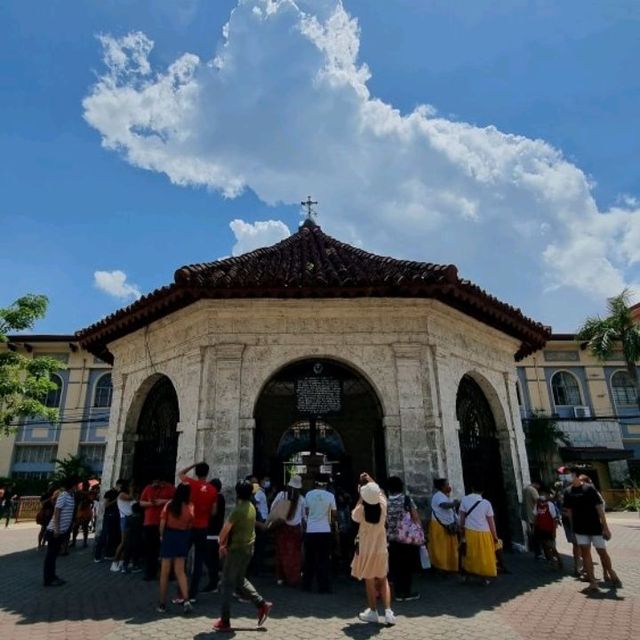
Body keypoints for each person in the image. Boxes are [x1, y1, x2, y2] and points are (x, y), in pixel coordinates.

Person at [213, 480, 273, 632]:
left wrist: (221, 544)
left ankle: (225, 620)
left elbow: (224, 532)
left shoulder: (238, 510)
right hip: (247, 549)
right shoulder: (252, 507)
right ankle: (261, 604)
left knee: (226, 584)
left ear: (237, 493)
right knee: (239, 580)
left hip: (236, 551)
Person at [563, 469, 621, 591]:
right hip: (580, 528)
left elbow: (599, 508)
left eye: (570, 474)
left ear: (577, 476)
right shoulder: (568, 492)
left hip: (594, 526)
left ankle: (611, 571)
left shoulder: (589, 489)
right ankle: (592, 581)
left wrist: (605, 527)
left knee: (602, 552)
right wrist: (573, 528)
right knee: (585, 553)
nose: (567, 477)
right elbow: (570, 512)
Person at [352, 474, 395, 626]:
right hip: (381, 548)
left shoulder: (361, 510)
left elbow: (354, 516)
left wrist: (361, 496)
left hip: (366, 550)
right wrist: (371, 480)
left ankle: (373, 611)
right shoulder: (383, 505)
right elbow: (381, 492)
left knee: (369, 581)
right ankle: (389, 612)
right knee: (384, 581)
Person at [178, 462, 218, 600]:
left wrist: (193, 464)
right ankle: (193, 593)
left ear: (196, 472)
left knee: (181, 558)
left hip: (189, 526)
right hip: (203, 528)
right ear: (207, 473)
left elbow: (180, 474)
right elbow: (214, 512)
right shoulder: (213, 490)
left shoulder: (190, 484)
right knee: (199, 561)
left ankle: (181, 592)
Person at [158, 483, 194, 614]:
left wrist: (162, 536)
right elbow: (190, 525)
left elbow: (162, 523)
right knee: (180, 571)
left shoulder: (169, 505)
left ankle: (162, 604)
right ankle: (186, 600)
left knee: (165, 572)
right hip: (182, 537)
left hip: (169, 536)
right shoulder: (190, 507)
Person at [386, 476, 421, 601]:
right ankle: (406, 592)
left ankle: (398, 592)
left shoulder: (385, 502)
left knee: (395, 566)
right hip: (406, 538)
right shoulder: (406, 499)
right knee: (407, 566)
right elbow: (415, 517)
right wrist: (419, 532)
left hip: (391, 538)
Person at [303, 476, 337, 593]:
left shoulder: (308, 494)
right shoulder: (330, 496)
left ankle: (306, 585)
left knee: (309, 559)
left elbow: (306, 511)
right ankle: (323, 587)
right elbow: (334, 514)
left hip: (311, 530)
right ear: (326, 484)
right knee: (323, 560)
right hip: (324, 530)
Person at [270, 475, 305, 587]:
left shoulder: (282, 495)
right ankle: (293, 577)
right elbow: (304, 517)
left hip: (283, 528)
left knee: (281, 553)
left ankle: (281, 577)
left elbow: (272, 507)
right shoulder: (302, 499)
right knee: (295, 555)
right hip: (295, 530)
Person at [459, 484, 498, 583]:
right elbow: (491, 521)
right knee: (483, 556)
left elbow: (462, 518)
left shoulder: (464, 500)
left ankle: (467, 576)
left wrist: (461, 531)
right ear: (483, 491)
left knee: (469, 554)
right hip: (484, 532)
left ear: (472, 488)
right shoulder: (486, 503)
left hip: (469, 531)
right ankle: (484, 577)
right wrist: (494, 535)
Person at [139, 477, 175, 581]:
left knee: (167, 550)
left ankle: (168, 574)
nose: (156, 483)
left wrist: (162, 501)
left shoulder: (170, 488)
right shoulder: (148, 488)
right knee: (150, 550)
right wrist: (151, 503)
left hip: (165, 523)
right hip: (150, 522)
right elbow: (141, 503)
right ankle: (150, 573)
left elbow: (177, 501)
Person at [43, 476, 77, 586]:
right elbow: (57, 512)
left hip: (62, 531)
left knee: (54, 555)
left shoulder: (71, 496)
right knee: (51, 556)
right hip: (54, 531)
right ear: (73, 486)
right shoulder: (63, 495)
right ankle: (48, 579)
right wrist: (57, 529)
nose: (78, 487)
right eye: (76, 485)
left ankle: (52, 576)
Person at [428, 477, 459, 574]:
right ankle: (441, 567)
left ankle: (450, 566)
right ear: (442, 486)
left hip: (447, 524)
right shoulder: (438, 496)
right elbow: (444, 505)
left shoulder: (445, 496)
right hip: (440, 526)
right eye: (447, 484)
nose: (449, 486)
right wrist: (454, 503)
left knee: (449, 547)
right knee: (441, 548)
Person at [202, 478, 226, 593]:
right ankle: (215, 580)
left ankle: (214, 582)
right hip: (215, 532)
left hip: (212, 533)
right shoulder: (220, 498)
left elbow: (212, 513)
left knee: (210, 559)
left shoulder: (216, 497)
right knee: (212, 560)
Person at [533, 491, 562, 570]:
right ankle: (552, 562)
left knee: (552, 547)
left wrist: (554, 531)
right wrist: (534, 528)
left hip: (549, 529)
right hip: (541, 529)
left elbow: (554, 519)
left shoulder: (550, 505)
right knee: (545, 546)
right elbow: (536, 516)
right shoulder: (537, 505)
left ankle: (559, 561)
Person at [111, 481, 134, 572]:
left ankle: (121, 561)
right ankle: (114, 563)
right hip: (125, 519)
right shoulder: (121, 495)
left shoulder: (122, 495)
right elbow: (131, 497)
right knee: (123, 542)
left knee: (126, 542)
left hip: (128, 519)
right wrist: (131, 490)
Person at [522, 481, 542, 559]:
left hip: (528, 515)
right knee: (537, 534)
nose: (538, 488)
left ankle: (535, 551)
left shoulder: (525, 489)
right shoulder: (533, 490)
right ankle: (539, 553)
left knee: (533, 533)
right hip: (535, 516)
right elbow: (538, 500)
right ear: (536, 484)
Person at [70, 481, 93, 549]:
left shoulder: (86, 493)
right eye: (86, 486)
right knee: (80, 528)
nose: (87, 487)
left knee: (80, 528)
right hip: (82, 512)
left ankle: (78, 542)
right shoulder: (81, 493)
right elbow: (76, 501)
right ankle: (81, 542)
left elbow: (91, 501)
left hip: (83, 512)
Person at [37, 486, 56, 550]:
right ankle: (39, 544)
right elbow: (41, 503)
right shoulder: (45, 495)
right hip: (45, 513)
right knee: (43, 529)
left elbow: (54, 505)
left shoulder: (55, 494)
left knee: (48, 529)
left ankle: (43, 543)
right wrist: (49, 499)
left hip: (51, 513)